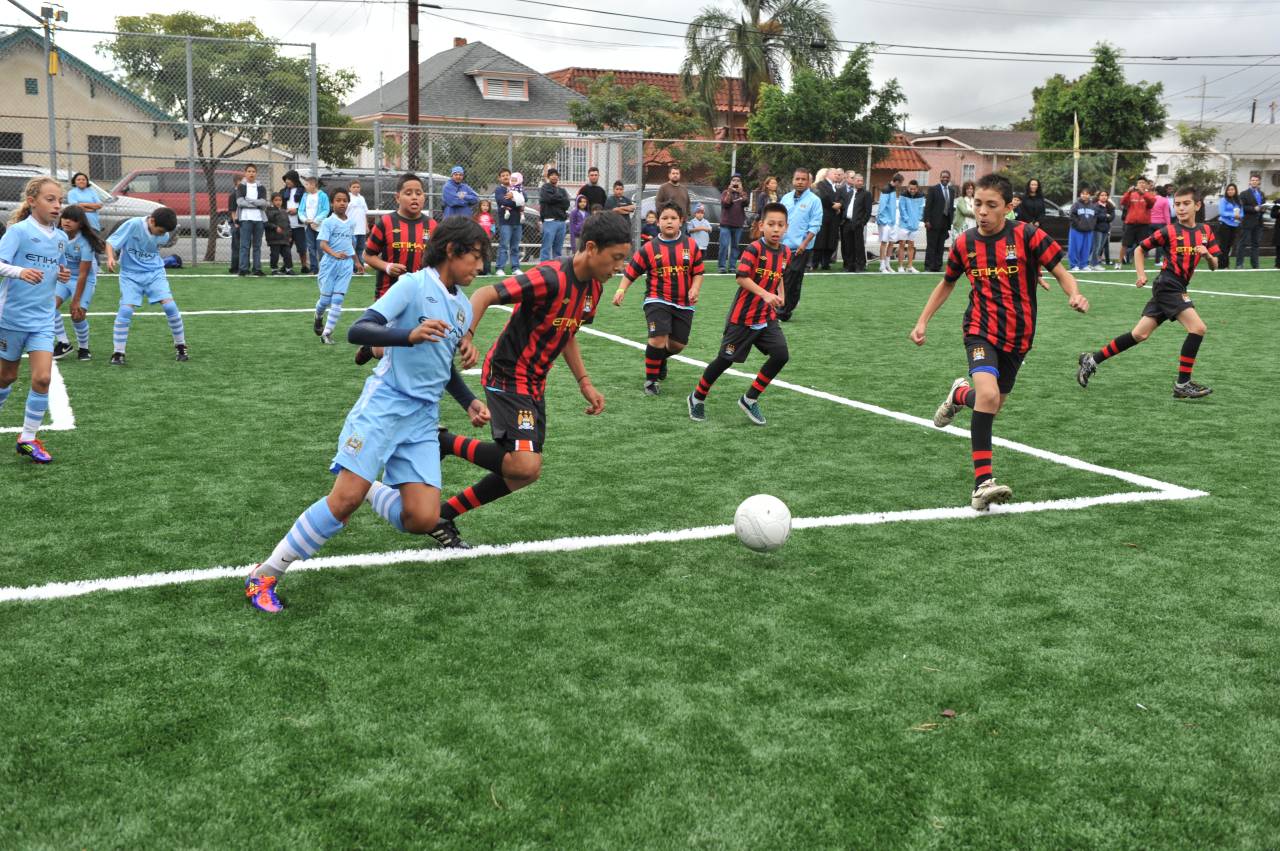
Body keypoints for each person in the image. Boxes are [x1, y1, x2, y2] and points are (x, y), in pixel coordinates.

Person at [244, 217, 491, 612]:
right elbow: (359, 330)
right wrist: (406, 336)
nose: (479, 268)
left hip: (423, 420)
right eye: (475, 258)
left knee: (423, 518)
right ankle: (265, 574)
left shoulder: (462, 307)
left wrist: (469, 401)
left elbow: (442, 367)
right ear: (452, 250)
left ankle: (372, 488)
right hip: (384, 406)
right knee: (343, 501)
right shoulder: (412, 285)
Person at [429, 212, 633, 548]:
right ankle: (445, 443)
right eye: (616, 258)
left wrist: (584, 382)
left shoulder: (593, 289)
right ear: (592, 248)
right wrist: (467, 335)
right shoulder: (550, 277)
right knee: (524, 464)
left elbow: (567, 330)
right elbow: (484, 295)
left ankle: (444, 514)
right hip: (508, 375)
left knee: (525, 473)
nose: (618, 268)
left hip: (534, 383)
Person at [911, 173, 1088, 511]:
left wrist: (1074, 294)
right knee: (990, 396)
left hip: (1019, 336)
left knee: (992, 402)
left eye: (992, 206)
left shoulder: (1027, 235)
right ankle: (982, 484)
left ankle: (960, 394)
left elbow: (1061, 271)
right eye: (978, 204)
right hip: (979, 329)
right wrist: (922, 320)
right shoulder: (964, 244)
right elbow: (947, 283)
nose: (983, 212)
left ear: (1009, 207)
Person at [1077, 187, 1220, 400]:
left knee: (1139, 334)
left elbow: (1215, 265)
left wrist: (1207, 255)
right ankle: (1183, 384)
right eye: (1177, 204)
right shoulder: (1169, 231)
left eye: (1186, 203)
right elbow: (1139, 249)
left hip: (1178, 287)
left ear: (1197, 205)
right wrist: (1141, 274)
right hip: (1168, 286)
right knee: (1198, 328)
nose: (1180, 208)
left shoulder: (1206, 232)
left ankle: (1092, 360)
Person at [687, 202, 791, 427]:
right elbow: (741, 277)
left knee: (781, 354)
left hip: (765, 318)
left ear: (786, 228)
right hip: (742, 319)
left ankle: (749, 398)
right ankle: (696, 397)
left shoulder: (786, 252)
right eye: (771, 224)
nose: (776, 229)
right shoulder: (754, 249)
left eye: (780, 225)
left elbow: (779, 274)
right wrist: (765, 294)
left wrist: (780, 293)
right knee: (725, 360)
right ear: (761, 225)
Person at [0, 177, 69, 464]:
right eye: (50, 199)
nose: (57, 206)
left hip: (42, 320)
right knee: (6, 377)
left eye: (60, 201)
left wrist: (61, 275)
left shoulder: (62, 238)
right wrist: (20, 272)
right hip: (10, 318)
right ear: (32, 201)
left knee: (42, 378)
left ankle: (27, 438)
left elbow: (56, 269)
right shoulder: (18, 232)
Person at [612, 202, 704, 394]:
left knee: (678, 345)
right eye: (664, 218)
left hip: (683, 304)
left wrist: (695, 288)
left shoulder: (690, 245)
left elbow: (698, 272)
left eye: (673, 218)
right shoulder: (649, 248)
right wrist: (621, 290)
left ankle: (660, 358)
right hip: (657, 299)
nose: (669, 222)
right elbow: (632, 272)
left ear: (681, 221)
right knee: (657, 338)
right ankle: (651, 381)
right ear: (658, 222)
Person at [357, 172, 436, 365]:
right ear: (397, 197)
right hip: (388, 293)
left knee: (417, 344)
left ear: (424, 197)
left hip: (420, 295)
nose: (414, 196)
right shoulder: (386, 223)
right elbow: (368, 255)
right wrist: (387, 266)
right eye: (408, 193)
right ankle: (372, 348)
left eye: (419, 192)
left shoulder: (432, 226)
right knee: (388, 350)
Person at [103, 207, 186, 365]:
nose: (162, 235)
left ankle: (181, 346)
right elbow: (110, 242)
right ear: (152, 221)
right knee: (126, 309)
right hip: (130, 275)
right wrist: (110, 257)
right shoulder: (133, 225)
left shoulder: (164, 235)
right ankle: (118, 352)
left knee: (170, 307)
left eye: (164, 233)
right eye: (160, 231)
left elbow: (158, 241)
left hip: (154, 273)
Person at [314, 188, 364, 345]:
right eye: (338, 200)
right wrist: (334, 254)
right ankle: (318, 317)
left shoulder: (351, 223)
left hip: (346, 265)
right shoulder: (328, 222)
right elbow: (323, 243)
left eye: (345, 200)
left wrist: (357, 262)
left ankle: (327, 333)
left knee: (337, 299)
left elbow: (350, 245)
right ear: (332, 203)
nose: (342, 203)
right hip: (329, 265)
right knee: (324, 300)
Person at [54, 204, 102, 361]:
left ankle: (84, 348)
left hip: (83, 280)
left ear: (80, 224)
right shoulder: (56, 234)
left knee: (77, 314)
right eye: (65, 218)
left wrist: (76, 301)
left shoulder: (85, 243)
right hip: (63, 278)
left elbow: (83, 274)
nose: (67, 221)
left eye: (73, 220)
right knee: (47, 307)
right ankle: (63, 342)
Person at [777, 168, 822, 321]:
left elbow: (815, 225)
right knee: (779, 277)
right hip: (783, 247)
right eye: (798, 179)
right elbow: (779, 220)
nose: (800, 182)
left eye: (803, 179)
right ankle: (781, 305)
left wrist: (804, 243)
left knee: (792, 279)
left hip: (800, 249)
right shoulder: (786, 198)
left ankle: (784, 311)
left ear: (809, 182)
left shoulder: (815, 201)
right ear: (793, 180)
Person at [236, 163, 270, 277]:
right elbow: (240, 202)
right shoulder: (241, 186)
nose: (251, 173)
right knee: (245, 245)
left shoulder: (261, 187)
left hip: (259, 220)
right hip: (246, 219)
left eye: (253, 171)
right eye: (249, 171)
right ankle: (243, 268)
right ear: (245, 173)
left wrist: (249, 201)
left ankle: (257, 268)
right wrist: (256, 203)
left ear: (256, 173)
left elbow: (264, 202)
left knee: (257, 245)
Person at [812, 167, 847, 271]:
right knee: (821, 240)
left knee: (831, 241)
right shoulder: (821, 185)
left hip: (834, 218)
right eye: (834, 174)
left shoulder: (837, 187)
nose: (837, 176)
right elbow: (823, 197)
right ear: (828, 175)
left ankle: (826, 263)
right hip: (824, 217)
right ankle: (814, 263)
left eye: (837, 174)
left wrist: (840, 204)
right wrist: (833, 205)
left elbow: (842, 198)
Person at [923, 169, 956, 272]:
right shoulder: (933, 189)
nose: (945, 179)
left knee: (940, 246)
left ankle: (938, 265)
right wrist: (926, 220)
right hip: (933, 222)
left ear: (949, 178)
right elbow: (928, 206)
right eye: (943, 177)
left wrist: (951, 221)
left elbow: (950, 207)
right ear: (940, 178)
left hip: (945, 222)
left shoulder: (951, 190)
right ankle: (929, 266)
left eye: (947, 177)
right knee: (932, 245)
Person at [1119, 178, 1157, 268]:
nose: (1141, 184)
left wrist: (1143, 193)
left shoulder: (1149, 195)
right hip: (1131, 223)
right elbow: (1123, 202)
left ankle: (1139, 264)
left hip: (1143, 224)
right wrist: (1128, 192)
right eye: (1139, 183)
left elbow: (1152, 203)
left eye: (1143, 183)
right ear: (1137, 184)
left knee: (1142, 245)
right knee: (1125, 244)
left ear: (1146, 185)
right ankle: (1119, 262)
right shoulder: (1132, 194)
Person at [494, 168, 524, 276]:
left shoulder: (518, 187)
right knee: (504, 246)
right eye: (503, 175)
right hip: (505, 222)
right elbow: (502, 201)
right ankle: (499, 268)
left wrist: (513, 196)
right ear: (499, 178)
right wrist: (516, 201)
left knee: (515, 246)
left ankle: (515, 268)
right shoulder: (499, 190)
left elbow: (525, 199)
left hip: (517, 222)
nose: (506, 177)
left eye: (507, 175)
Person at [841, 172, 872, 272]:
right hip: (847, 223)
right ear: (853, 181)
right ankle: (850, 265)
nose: (860, 182)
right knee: (848, 245)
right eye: (858, 180)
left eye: (861, 181)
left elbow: (868, 211)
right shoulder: (849, 193)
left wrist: (862, 222)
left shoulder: (866, 194)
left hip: (857, 224)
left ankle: (860, 265)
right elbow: (845, 207)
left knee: (858, 245)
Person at [718, 174, 749, 273]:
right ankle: (722, 266)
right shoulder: (725, 193)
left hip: (738, 224)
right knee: (724, 245)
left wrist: (741, 193)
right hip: (725, 224)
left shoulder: (743, 193)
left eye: (738, 181)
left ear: (741, 183)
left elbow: (746, 203)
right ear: (730, 183)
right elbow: (725, 204)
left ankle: (732, 266)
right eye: (734, 180)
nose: (735, 182)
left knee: (735, 246)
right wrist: (730, 192)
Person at [538, 168, 570, 261]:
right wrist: (559, 198)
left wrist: (555, 199)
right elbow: (548, 199)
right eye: (552, 175)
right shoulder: (545, 188)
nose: (554, 176)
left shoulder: (562, 190)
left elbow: (566, 204)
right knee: (546, 247)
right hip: (549, 221)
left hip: (561, 222)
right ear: (548, 177)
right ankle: (544, 267)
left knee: (558, 249)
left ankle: (556, 268)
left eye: (556, 175)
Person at [299, 175, 330, 275]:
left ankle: (324, 269)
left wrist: (316, 221)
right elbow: (301, 210)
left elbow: (326, 210)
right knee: (311, 248)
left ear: (313, 185)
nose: (306, 186)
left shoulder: (322, 195)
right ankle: (314, 269)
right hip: (309, 226)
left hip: (320, 227)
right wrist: (305, 220)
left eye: (307, 184)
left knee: (321, 248)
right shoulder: (305, 196)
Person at [1236, 173, 1265, 269]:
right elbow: (1242, 207)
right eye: (1252, 180)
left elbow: (1263, 205)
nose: (1254, 182)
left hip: (1259, 222)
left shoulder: (1261, 194)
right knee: (1243, 243)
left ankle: (1255, 265)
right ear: (1249, 181)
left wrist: (1263, 208)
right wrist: (1254, 209)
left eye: (1256, 180)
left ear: (1259, 182)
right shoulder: (1244, 194)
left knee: (1256, 244)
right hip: (1247, 222)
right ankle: (1239, 264)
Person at [281, 170, 308, 274]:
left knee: (302, 247)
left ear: (295, 180)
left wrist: (296, 210)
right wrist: (285, 211)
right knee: (286, 246)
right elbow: (280, 205)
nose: (287, 181)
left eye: (289, 179)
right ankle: (286, 265)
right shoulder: (283, 192)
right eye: (286, 179)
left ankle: (304, 266)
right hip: (287, 224)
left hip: (299, 224)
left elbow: (306, 206)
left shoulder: (303, 191)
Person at [896, 180, 925, 273]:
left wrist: (917, 219)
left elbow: (921, 208)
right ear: (908, 187)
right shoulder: (903, 195)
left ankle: (909, 266)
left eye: (914, 189)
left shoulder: (921, 196)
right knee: (902, 244)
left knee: (911, 245)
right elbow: (902, 208)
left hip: (914, 225)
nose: (912, 190)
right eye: (910, 188)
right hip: (904, 225)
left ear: (917, 188)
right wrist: (907, 219)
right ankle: (900, 266)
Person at [876, 173, 903, 273]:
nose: (900, 185)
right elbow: (882, 206)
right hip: (885, 222)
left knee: (891, 242)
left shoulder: (893, 190)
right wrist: (882, 220)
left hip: (892, 221)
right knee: (884, 243)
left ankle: (887, 265)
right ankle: (882, 266)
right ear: (896, 182)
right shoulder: (886, 190)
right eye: (900, 183)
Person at [1067, 186, 1097, 271]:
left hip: (1088, 230)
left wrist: (1092, 225)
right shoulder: (1076, 205)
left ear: (1089, 195)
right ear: (1080, 195)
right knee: (1075, 247)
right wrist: (1079, 225)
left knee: (1086, 248)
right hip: (1076, 230)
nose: (1084, 195)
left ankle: (1083, 265)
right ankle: (1073, 265)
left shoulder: (1093, 206)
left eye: (1086, 194)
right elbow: (1072, 216)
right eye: (1083, 194)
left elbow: (1095, 217)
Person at [265, 192, 294, 276]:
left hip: (284, 238)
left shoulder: (284, 211)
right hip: (274, 239)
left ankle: (288, 269)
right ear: (272, 201)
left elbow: (288, 224)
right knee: (275, 255)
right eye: (276, 200)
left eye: (280, 200)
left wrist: (289, 235)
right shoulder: (269, 211)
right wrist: (275, 227)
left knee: (287, 254)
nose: (278, 202)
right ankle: (274, 269)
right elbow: (266, 223)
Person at [1216, 183, 1242, 261]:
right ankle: (1221, 264)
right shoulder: (1223, 200)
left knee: (1229, 245)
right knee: (1223, 245)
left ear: (1235, 191)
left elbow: (1242, 213)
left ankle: (1226, 264)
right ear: (1226, 191)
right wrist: (1233, 215)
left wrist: (1240, 216)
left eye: (1232, 189)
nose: (1230, 191)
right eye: (1229, 190)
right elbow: (1222, 212)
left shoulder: (1238, 201)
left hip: (1235, 225)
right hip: (1224, 224)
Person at [347, 180, 370, 268]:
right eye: (354, 187)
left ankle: (360, 266)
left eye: (358, 187)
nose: (356, 189)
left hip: (361, 229)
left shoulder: (362, 198)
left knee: (360, 248)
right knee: (352, 248)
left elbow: (364, 213)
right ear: (349, 188)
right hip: (352, 229)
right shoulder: (348, 198)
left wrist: (366, 225)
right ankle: (351, 267)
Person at [1090, 190, 1115, 271]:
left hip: (1105, 229)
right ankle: (1094, 264)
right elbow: (1097, 216)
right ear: (1098, 197)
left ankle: (1095, 263)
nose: (1104, 197)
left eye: (1105, 195)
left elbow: (1112, 217)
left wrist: (1107, 217)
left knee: (1100, 248)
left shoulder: (1109, 206)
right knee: (1096, 247)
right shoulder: (1095, 205)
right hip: (1097, 229)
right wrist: (1106, 216)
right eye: (1102, 195)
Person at [1148, 184, 1171, 265]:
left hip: (1150, 223)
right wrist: (1169, 225)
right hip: (1160, 223)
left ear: (1156, 192)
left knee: (1148, 241)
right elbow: (1166, 214)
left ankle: (1131, 254)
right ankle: (1157, 261)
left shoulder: (1151, 199)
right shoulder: (1165, 200)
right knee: (1160, 242)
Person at [474, 199, 495, 276]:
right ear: (480, 206)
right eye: (483, 205)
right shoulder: (476, 216)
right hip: (478, 239)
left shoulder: (491, 217)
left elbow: (493, 228)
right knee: (478, 254)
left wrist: (490, 236)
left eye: (487, 206)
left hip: (487, 239)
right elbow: (474, 227)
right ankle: (478, 271)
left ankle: (487, 271)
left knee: (487, 255)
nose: (485, 207)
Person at [226, 172, 241, 275]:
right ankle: (234, 267)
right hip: (236, 223)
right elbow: (232, 211)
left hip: (243, 222)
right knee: (236, 245)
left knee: (243, 246)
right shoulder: (233, 195)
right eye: (241, 181)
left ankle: (242, 266)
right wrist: (235, 222)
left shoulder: (244, 194)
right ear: (236, 182)